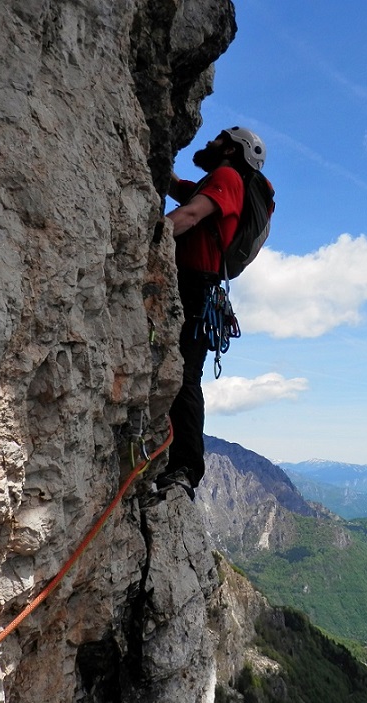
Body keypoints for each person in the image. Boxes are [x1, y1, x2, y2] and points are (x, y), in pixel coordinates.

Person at [156, 126, 268, 500]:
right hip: (199, 287)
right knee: (182, 372)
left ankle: (185, 467)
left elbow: (189, 215)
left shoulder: (227, 176)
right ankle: (178, 461)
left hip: (194, 286)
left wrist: (141, 235)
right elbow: (179, 190)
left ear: (233, 150)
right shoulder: (216, 179)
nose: (211, 140)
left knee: (185, 374)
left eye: (221, 137)